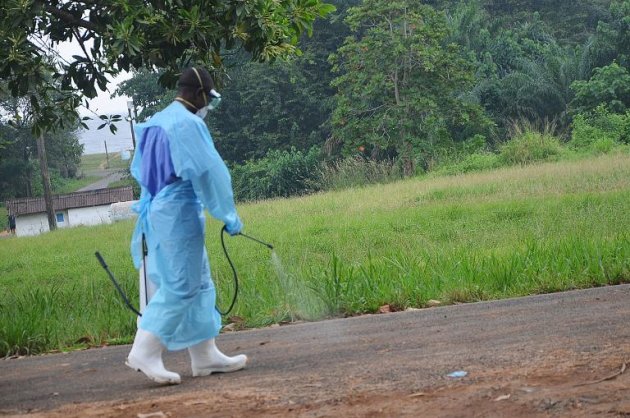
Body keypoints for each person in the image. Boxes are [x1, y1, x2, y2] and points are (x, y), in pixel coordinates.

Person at [126, 67, 246, 385]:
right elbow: (210, 172)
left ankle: (205, 355)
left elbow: (140, 171)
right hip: (177, 209)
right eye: (210, 99)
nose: (209, 106)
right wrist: (229, 215)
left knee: (199, 282)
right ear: (198, 94)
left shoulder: (157, 120)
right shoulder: (187, 123)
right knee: (181, 285)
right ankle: (145, 350)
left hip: (162, 208)